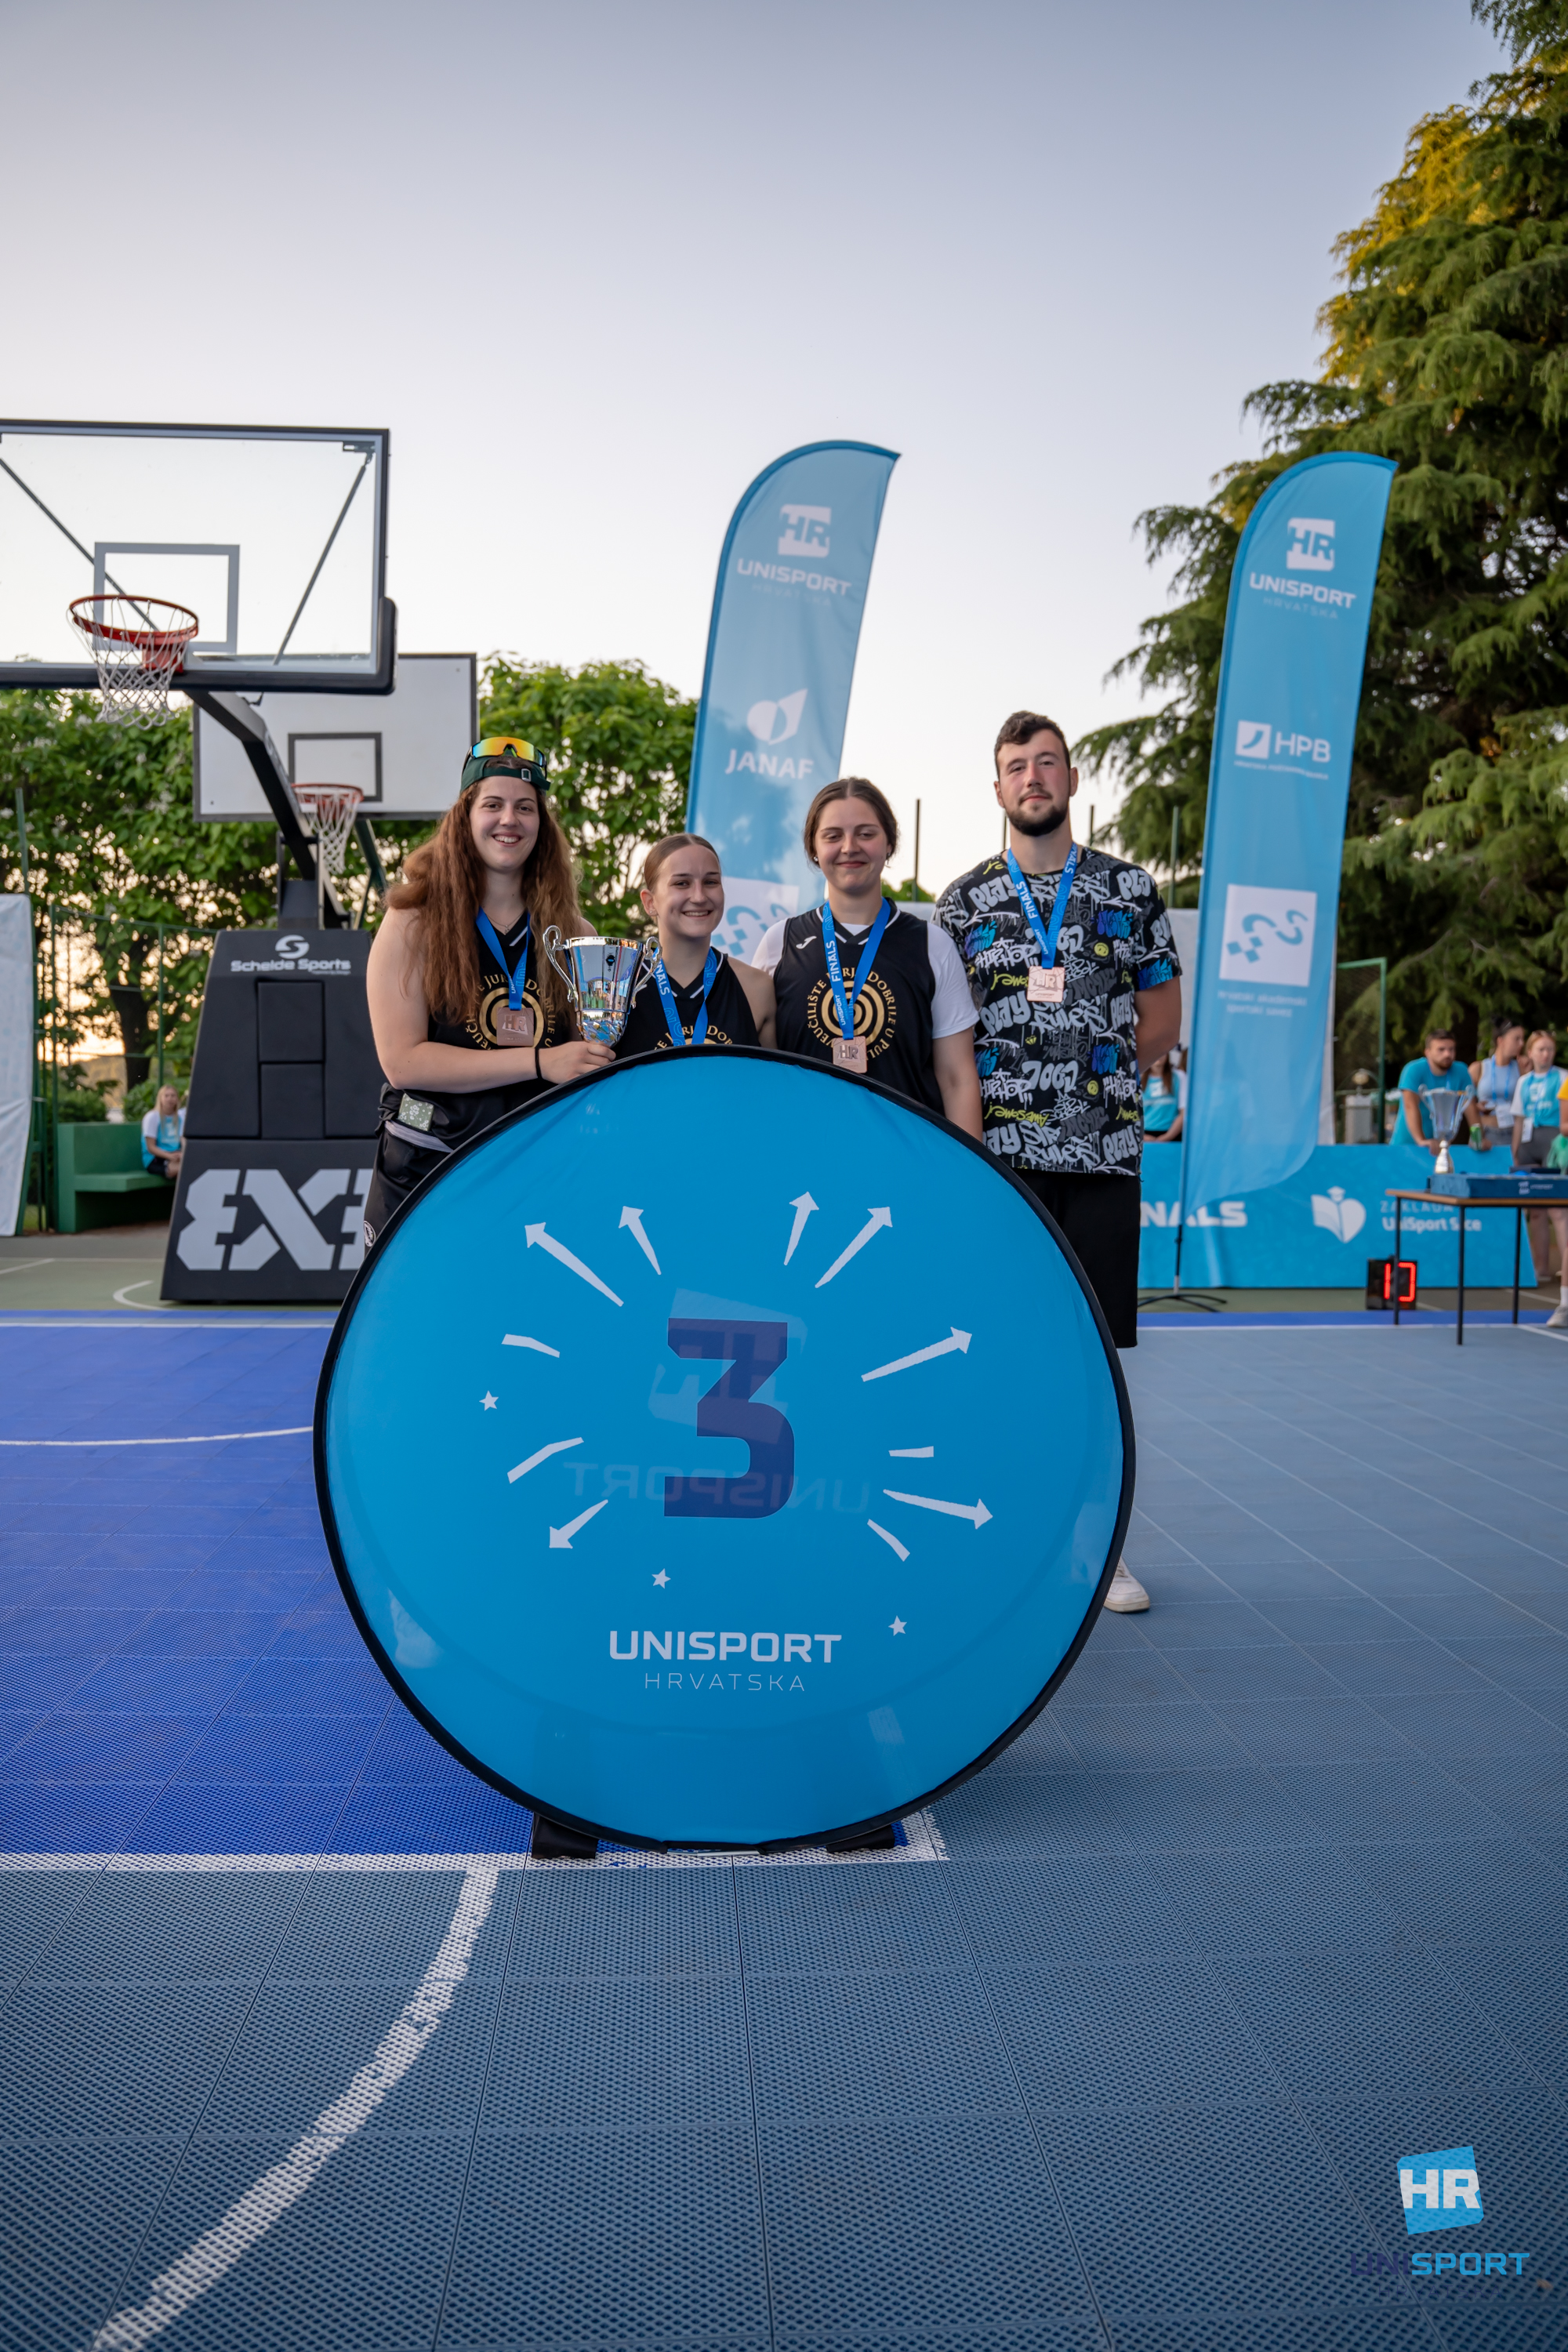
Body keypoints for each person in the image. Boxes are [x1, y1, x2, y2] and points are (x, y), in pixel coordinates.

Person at [937, 711, 1181, 1613]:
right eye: (1016, 766)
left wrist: (1095, 1081)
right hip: (1001, 1168)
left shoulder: (1129, 888)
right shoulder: (961, 903)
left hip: (1102, 1156)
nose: (1032, 777)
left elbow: (1161, 1020)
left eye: (1047, 763)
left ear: (1072, 780)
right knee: (1001, 1354)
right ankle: (1001, 1540)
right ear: (996, 787)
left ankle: (1098, 1547)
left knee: (1093, 1366)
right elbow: (948, 1039)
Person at [754, 779, 982, 1136]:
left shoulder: (931, 945)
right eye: (833, 836)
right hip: (803, 1153)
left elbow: (957, 1079)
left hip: (905, 1157)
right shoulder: (778, 943)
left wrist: (964, 1169)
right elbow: (760, 1073)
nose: (849, 847)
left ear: (889, 843)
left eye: (866, 834)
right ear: (813, 848)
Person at [616, 833, 776, 1057]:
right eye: (682, 883)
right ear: (650, 902)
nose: (699, 897)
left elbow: (774, 1078)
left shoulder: (756, 988)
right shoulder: (616, 986)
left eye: (711, 882)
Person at [1510, 1029, 1568, 1326]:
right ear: (1530, 1053)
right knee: (1535, 1210)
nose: (1546, 1054)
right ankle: (1541, 1267)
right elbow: (1518, 1119)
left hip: (1553, 1139)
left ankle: (1563, 1270)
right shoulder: (1524, 1082)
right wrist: (1514, 1151)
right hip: (1529, 1142)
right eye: (1541, 1049)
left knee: (1558, 1209)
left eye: (1550, 1049)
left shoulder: (1562, 1077)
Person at [1396, 1028, 1475, 1152]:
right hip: (1407, 1146)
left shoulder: (1461, 1071)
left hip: (1440, 1147)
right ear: (1427, 1052)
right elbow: (1410, 1105)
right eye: (1441, 1050)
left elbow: (1470, 1106)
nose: (1447, 1054)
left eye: (1451, 1049)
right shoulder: (1413, 1069)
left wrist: (1478, 1139)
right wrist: (1421, 1141)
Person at [1469, 1014, 1525, 1153]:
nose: (1521, 1044)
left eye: (1522, 1039)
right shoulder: (1478, 1068)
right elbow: (1464, 1103)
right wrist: (1476, 1106)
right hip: (1485, 1131)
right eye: (1516, 1039)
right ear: (1501, 1041)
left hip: (1512, 1132)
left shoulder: (1521, 1068)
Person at [140, 1083, 185, 1181]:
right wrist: (169, 1156)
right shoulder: (152, 1117)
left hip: (175, 1155)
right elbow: (151, 1147)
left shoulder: (181, 1117)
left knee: (191, 1164)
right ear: (160, 1098)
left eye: (173, 1096)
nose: (170, 1099)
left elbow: (183, 1140)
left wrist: (184, 1153)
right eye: (166, 1096)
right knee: (185, 1169)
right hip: (155, 1158)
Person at [1141, 1045, 1185, 1142]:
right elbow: (1129, 1114)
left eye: (1162, 1051)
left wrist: (1167, 1137)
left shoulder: (1179, 1077)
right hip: (1145, 1135)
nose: (1159, 1055)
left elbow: (1184, 1112)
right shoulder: (1138, 1079)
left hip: (1172, 1135)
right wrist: (1142, 1136)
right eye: (1154, 1052)